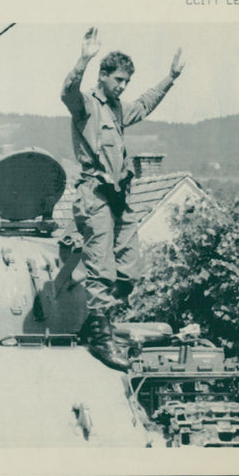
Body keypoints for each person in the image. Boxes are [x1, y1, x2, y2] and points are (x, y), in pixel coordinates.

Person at [61, 27, 185, 371]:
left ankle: (94, 323)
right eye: (118, 79)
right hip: (95, 195)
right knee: (100, 270)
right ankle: (101, 339)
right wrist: (84, 58)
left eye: (127, 81)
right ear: (102, 76)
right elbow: (67, 91)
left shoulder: (117, 109)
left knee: (128, 269)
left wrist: (170, 77)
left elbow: (144, 104)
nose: (122, 86)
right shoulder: (86, 106)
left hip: (119, 197)